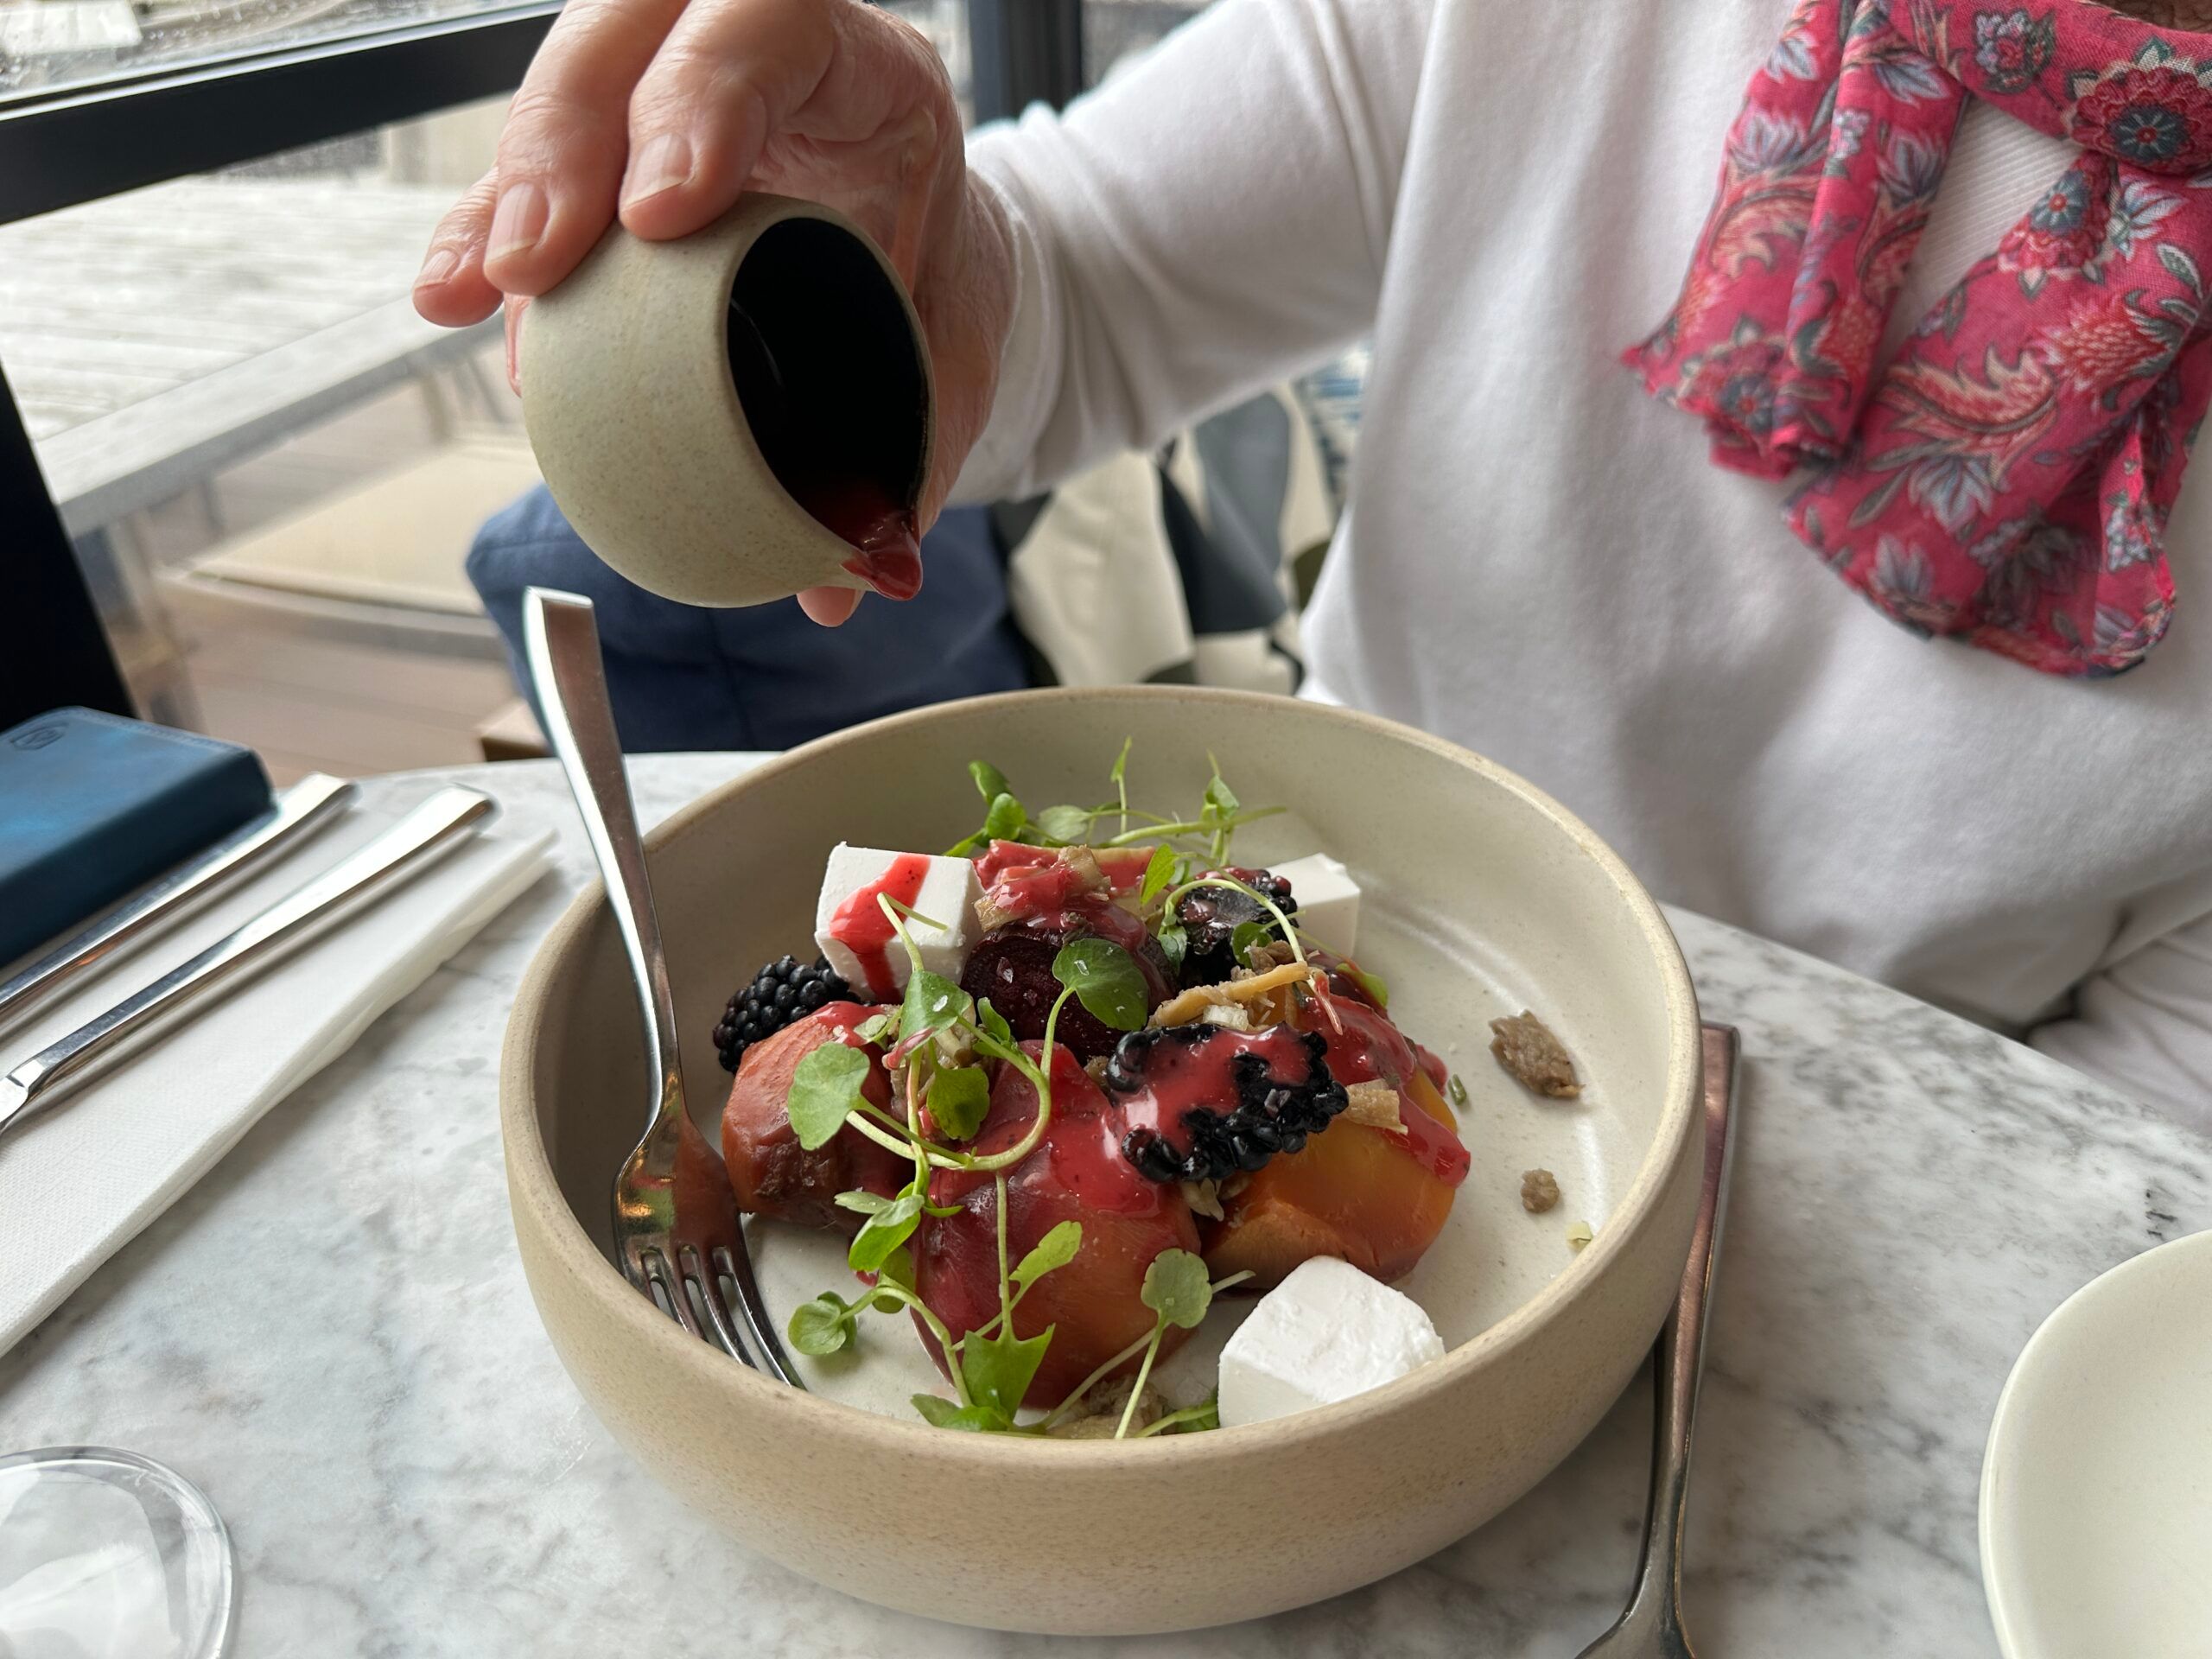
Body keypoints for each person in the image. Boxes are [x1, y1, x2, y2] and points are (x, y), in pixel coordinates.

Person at [413, 0, 2212, 1128]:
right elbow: (1088, 279)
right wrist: (901, 249)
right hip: (1298, 940)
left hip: (1868, 1161)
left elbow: (2156, 1125)